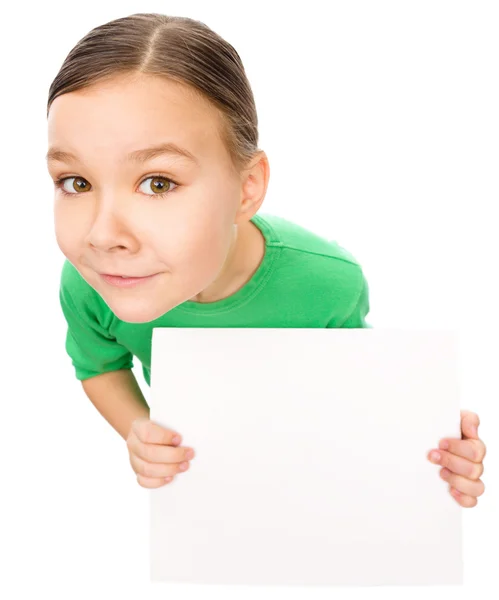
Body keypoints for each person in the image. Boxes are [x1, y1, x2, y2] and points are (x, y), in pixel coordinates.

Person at [46, 13, 486, 505]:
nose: (103, 236)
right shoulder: (91, 283)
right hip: (211, 507)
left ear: (247, 188)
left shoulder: (329, 281)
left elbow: (358, 388)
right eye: (76, 182)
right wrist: (139, 429)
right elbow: (100, 365)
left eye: (158, 183)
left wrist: (429, 441)